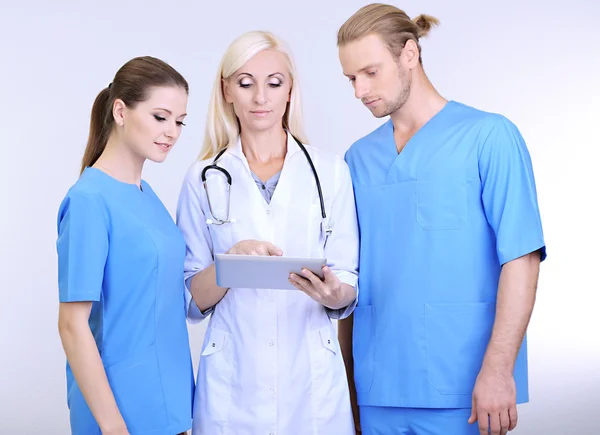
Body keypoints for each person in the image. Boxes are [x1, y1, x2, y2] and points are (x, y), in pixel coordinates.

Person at [335, 4, 547, 435]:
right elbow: (349, 274)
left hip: (464, 388)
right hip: (378, 385)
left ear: (409, 54)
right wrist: (348, 388)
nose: (359, 90)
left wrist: (498, 368)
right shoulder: (357, 159)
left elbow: (521, 258)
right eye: (351, 79)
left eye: (370, 72)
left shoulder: (489, 136)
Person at [176, 30, 359, 435]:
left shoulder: (330, 173)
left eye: (274, 83)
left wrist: (335, 293)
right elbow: (189, 299)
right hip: (233, 382)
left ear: (290, 90)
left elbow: (348, 280)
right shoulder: (203, 179)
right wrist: (231, 264)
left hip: (310, 380)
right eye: (245, 83)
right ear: (226, 91)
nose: (260, 98)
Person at [56, 56, 194, 435]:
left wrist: (237, 259)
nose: (173, 132)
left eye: (180, 121)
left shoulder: (147, 196)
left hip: (171, 403)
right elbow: (71, 325)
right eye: (160, 117)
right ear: (120, 110)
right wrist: (113, 426)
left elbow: (167, 298)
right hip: (120, 415)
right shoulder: (89, 200)